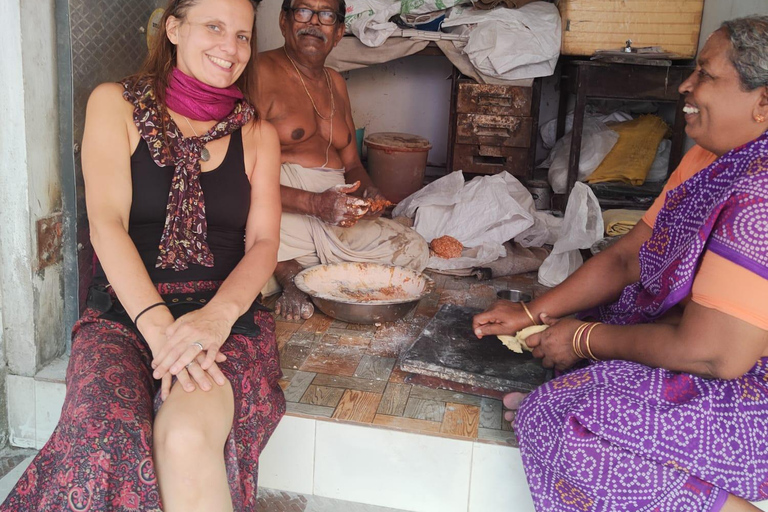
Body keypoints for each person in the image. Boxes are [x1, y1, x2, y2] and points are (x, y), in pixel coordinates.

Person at [473, 16, 768, 512]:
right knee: (554, 400)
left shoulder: (760, 193)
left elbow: (717, 355)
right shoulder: (709, 160)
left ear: (763, 103)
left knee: (560, 424)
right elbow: (631, 257)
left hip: (748, 387)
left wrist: (582, 339)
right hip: (703, 353)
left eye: (706, 74)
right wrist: (532, 313)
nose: (686, 86)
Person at [0, 0, 284, 510]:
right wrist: (157, 329)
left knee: (185, 437)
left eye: (243, 35)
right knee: (101, 433)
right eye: (215, 27)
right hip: (124, 315)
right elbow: (105, 223)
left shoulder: (258, 134)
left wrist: (215, 318)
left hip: (225, 317)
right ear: (173, 27)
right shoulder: (116, 104)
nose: (232, 47)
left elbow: (264, 244)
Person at [256, 0, 430, 320]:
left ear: (338, 33)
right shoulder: (258, 73)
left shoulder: (335, 82)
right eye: (303, 11)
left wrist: (369, 192)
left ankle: (306, 271)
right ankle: (288, 272)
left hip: (335, 211)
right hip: (284, 206)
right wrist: (315, 204)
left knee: (415, 249)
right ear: (284, 21)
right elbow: (240, 174)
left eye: (326, 16)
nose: (313, 23)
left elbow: (351, 165)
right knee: (254, 229)